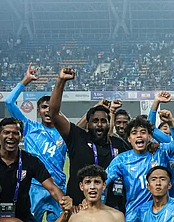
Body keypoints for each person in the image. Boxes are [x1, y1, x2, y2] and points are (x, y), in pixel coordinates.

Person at [4, 63, 70, 222]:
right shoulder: (30, 128)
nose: (46, 110)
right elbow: (9, 103)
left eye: (49, 107)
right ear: (39, 111)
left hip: (58, 191)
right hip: (31, 190)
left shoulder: (65, 133)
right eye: (43, 107)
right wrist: (25, 81)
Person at [48, 67, 129, 207]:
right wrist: (61, 81)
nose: (99, 125)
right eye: (95, 121)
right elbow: (54, 114)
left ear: (109, 123)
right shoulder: (78, 138)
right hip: (79, 207)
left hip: (111, 209)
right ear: (88, 123)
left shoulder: (118, 144)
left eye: (103, 121)